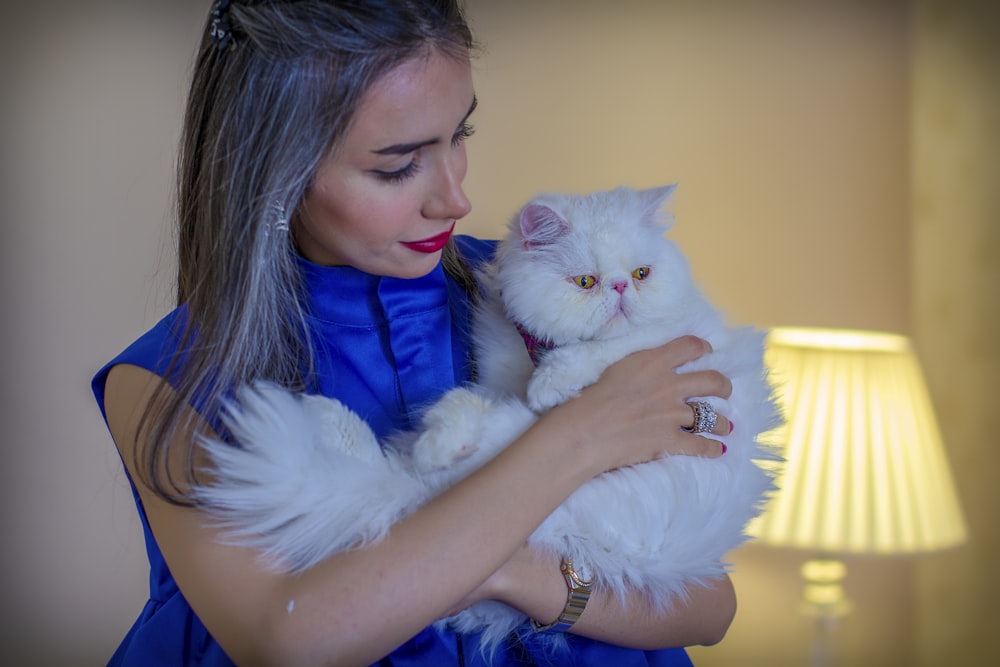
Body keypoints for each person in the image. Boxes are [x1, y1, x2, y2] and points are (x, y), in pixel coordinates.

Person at [93, 1, 737, 665]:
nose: (454, 198)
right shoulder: (165, 379)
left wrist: (507, 572)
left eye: (460, 135)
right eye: (397, 165)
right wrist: (579, 436)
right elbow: (290, 639)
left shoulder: (548, 287)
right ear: (275, 173)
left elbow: (709, 604)